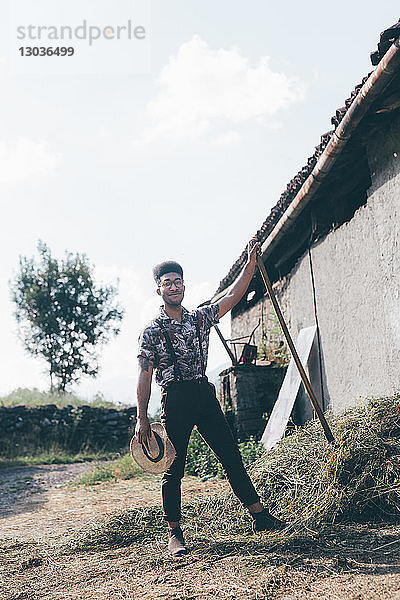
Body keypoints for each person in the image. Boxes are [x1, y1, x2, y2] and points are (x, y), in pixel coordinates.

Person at [135, 238, 286, 557]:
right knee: (173, 467)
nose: (174, 287)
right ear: (158, 291)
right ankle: (174, 533)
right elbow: (145, 375)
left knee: (231, 456)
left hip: (204, 395)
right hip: (174, 399)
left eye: (178, 282)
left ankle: (259, 516)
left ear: (183, 286)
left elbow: (233, 295)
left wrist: (250, 264)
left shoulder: (199, 318)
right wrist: (141, 417)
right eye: (167, 283)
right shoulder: (151, 331)